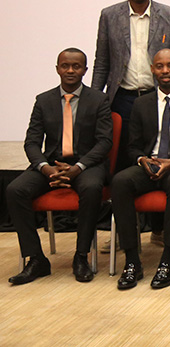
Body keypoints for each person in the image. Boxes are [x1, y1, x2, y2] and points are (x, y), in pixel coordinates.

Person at [7, 48, 113, 285]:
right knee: (15, 190)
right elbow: (32, 142)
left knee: (92, 189)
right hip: (51, 165)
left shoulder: (99, 100)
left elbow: (105, 141)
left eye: (76, 66)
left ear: (85, 70)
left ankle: (81, 256)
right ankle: (35, 259)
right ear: (57, 69)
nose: (70, 70)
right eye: (65, 66)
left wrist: (79, 167)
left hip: (87, 165)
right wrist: (46, 168)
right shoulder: (43, 101)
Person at [111, 49, 170, 290]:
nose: (165, 71)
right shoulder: (141, 104)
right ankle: (132, 261)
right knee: (120, 181)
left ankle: (167, 260)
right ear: (152, 69)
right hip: (148, 166)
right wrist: (142, 159)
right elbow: (131, 147)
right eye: (160, 66)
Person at [93, 0, 170, 170]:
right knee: (125, 157)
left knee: (157, 151)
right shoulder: (109, 16)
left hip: (158, 96)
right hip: (122, 98)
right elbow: (102, 62)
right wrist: (94, 101)